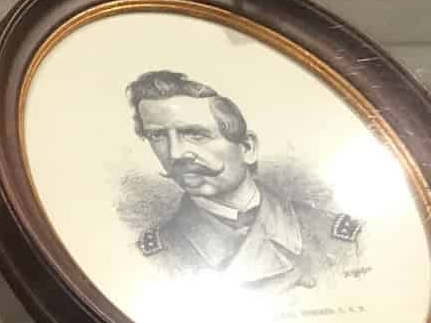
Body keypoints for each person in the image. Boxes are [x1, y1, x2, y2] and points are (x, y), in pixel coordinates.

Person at [125, 70, 362, 291]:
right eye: (157, 136)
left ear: (247, 147)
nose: (175, 153)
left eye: (195, 133)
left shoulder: (337, 237)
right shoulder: (151, 259)